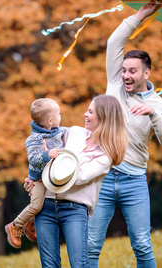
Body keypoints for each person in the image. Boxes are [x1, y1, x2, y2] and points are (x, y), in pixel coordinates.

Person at [87, 1, 162, 268]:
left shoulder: (158, 105)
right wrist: (138, 17)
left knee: (141, 244)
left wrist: (153, 114)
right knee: (91, 244)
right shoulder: (114, 84)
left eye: (132, 71)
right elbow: (114, 43)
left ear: (146, 73)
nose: (126, 75)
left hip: (134, 181)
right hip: (102, 176)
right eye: (124, 70)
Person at [24, 95, 128, 268]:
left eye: (90, 112)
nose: (85, 115)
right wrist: (34, 180)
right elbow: (45, 151)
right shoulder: (74, 132)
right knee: (49, 265)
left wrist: (49, 168)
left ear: (103, 117)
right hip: (46, 205)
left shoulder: (105, 157)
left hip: (74, 209)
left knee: (79, 264)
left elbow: (75, 178)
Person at [5, 98, 68, 249]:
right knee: (37, 205)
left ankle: (30, 225)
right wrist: (47, 154)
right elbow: (33, 160)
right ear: (50, 120)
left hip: (53, 177)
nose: (61, 117)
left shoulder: (59, 131)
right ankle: (15, 225)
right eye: (59, 115)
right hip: (39, 180)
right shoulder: (33, 139)